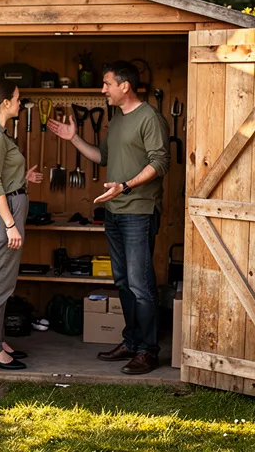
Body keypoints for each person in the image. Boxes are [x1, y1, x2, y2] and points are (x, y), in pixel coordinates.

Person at [48, 61, 170, 375]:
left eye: (107, 84)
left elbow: (161, 162)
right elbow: (103, 157)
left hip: (139, 212)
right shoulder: (116, 119)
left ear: (124, 86)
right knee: (124, 283)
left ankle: (147, 351)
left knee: (141, 285)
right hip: (115, 213)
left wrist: (126, 185)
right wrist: (73, 139)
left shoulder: (149, 118)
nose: (103, 90)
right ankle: (131, 341)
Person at [0, 81, 43, 370]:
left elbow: (1, 175)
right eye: (17, 98)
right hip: (5, 214)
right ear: (4, 103)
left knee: (4, 282)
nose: (19, 102)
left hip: (10, 206)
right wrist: (10, 224)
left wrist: (21, 177)